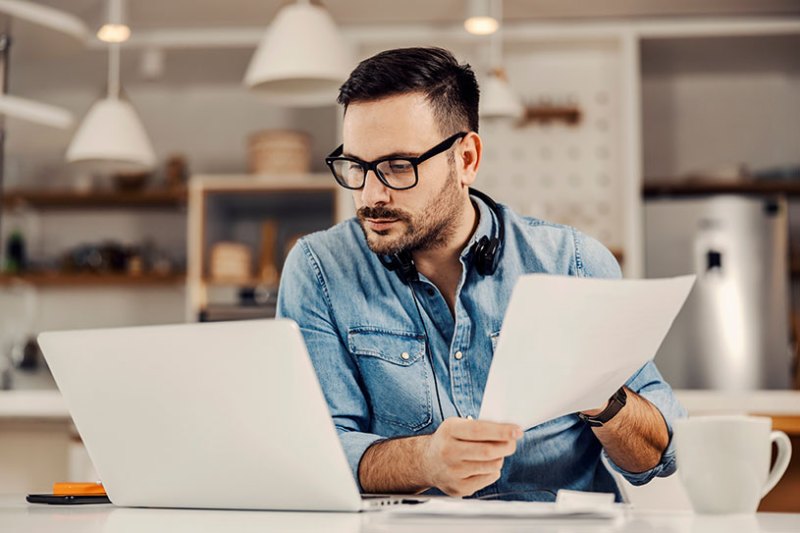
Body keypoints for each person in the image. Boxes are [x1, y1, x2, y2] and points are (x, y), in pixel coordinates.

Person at [277, 47, 685, 501]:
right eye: (356, 165)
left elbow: (658, 457)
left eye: (397, 166)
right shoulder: (318, 269)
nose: (371, 194)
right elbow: (313, 449)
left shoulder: (574, 263)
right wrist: (424, 460)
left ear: (466, 158)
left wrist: (598, 393)